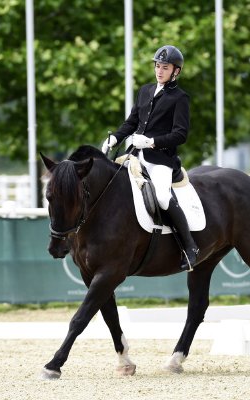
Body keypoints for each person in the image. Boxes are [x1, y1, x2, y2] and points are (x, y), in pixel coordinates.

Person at [102, 45, 199, 271]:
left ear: (176, 71)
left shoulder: (180, 98)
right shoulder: (145, 91)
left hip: (161, 160)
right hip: (136, 156)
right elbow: (131, 122)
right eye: (157, 66)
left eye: (165, 67)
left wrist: (152, 142)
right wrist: (114, 139)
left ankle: (190, 246)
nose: (159, 71)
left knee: (163, 198)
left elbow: (180, 134)